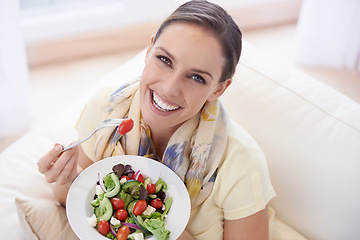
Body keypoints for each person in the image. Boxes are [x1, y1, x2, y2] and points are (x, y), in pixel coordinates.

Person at [38, 1, 276, 239]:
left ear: (219, 89)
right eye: (164, 60)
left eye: (196, 77)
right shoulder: (106, 108)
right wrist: (66, 179)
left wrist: (158, 228)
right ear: (149, 49)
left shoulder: (241, 162)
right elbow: (71, 200)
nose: (170, 88)